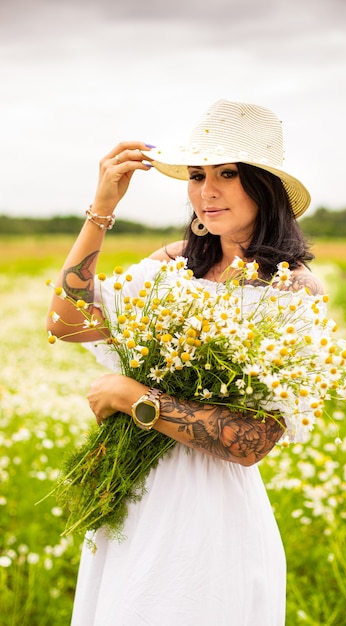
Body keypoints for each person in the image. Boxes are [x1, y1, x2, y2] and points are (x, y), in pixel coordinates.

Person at [47, 99, 324, 626]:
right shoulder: (172, 264)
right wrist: (103, 207)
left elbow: (253, 443)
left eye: (227, 174)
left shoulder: (290, 290)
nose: (207, 191)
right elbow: (66, 321)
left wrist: (136, 400)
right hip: (135, 500)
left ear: (264, 186)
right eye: (197, 175)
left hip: (210, 513)